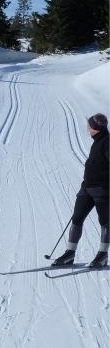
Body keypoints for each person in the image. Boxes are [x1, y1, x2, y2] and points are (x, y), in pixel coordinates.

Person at [52, 113, 109, 268]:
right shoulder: (97, 141)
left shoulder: (107, 142)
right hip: (87, 189)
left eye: (89, 125)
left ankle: (102, 256)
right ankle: (69, 254)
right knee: (77, 218)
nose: (87, 127)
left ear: (95, 128)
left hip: (102, 191)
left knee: (105, 222)